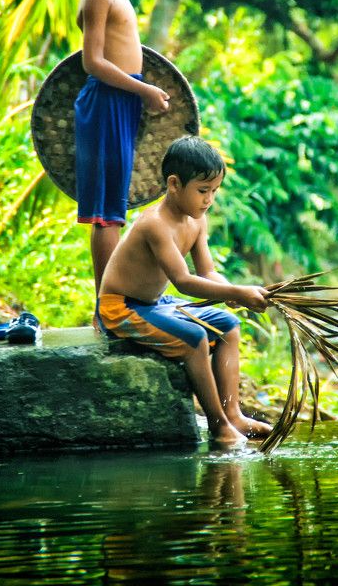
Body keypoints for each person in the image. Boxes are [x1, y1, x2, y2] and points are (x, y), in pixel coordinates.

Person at [97, 136, 273, 446]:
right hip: (122, 307)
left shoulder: (197, 220)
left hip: (155, 303)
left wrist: (232, 291)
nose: (209, 200)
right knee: (195, 339)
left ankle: (233, 414)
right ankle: (218, 426)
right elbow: (183, 281)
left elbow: (207, 272)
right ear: (174, 184)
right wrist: (239, 292)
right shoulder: (155, 224)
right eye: (203, 191)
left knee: (229, 327)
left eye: (214, 191)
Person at [75, 0, 170, 300]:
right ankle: (108, 303)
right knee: (106, 214)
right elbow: (92, 62)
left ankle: (115, 298)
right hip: (107, 102)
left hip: (122, 103)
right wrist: (143, 88)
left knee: (113, 206)